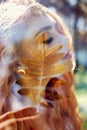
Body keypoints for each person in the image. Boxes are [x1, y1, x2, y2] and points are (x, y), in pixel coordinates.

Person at [0, 0, 82, 130]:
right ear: (12, 58)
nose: (65, 39)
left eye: (59, 30)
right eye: (46, 39)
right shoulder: (7, 120)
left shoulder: (60, 103)